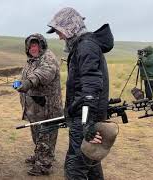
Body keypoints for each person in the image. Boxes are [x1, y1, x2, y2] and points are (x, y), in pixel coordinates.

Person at [47, 7, 114, 180]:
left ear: (70, 27)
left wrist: (86, 124)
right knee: (90, 163)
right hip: (84, 117)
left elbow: (91, 87)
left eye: (59, 31)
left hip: (84, 119)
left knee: (75, 168)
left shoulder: (86, 47)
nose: (59, 36)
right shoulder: (84, 46)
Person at [16, 33, 63, 176]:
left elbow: (43, 75)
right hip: (35, 108)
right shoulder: (32, 60)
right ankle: (39, 157)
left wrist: (28, 83)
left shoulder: (48, 58)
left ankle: (43, 165)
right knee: (37, 134)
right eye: (30, 45)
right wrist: (19, 82)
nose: (33, 48)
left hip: (47, 107)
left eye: (35, 45)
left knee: (46, 134)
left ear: (41, 45)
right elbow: (27, 75)